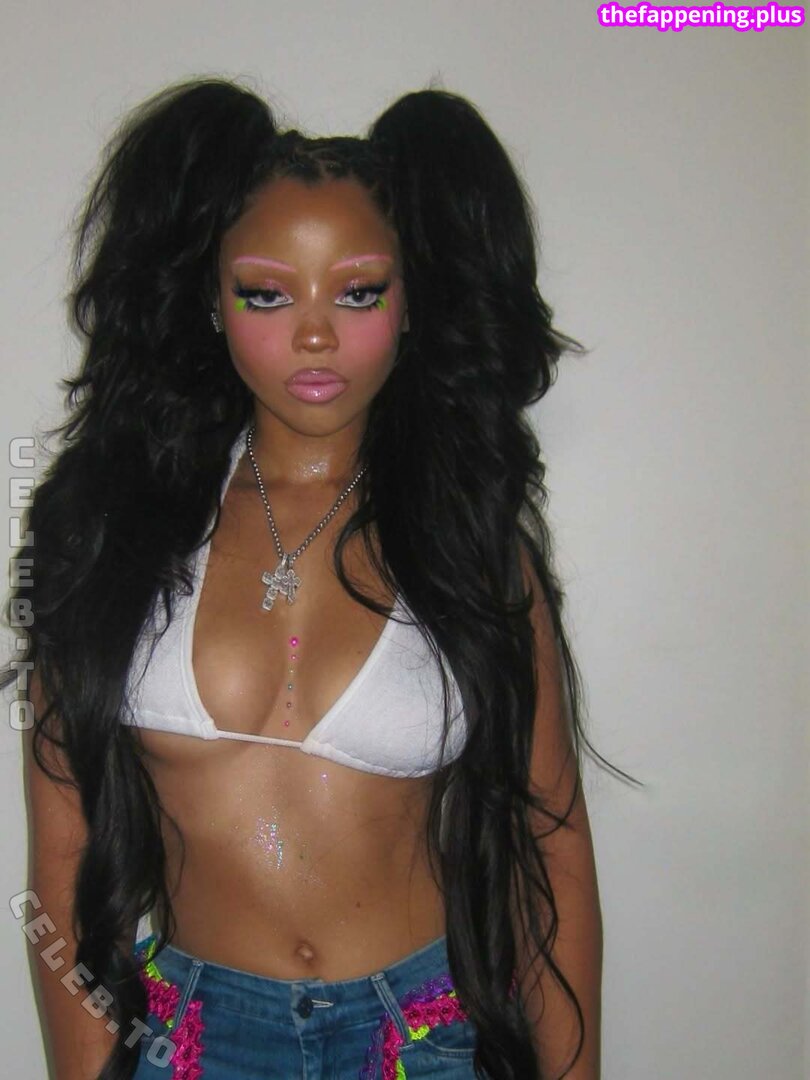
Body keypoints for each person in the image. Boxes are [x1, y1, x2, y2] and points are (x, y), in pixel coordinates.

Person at [2, 77, 611, 1080]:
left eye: (358, 291)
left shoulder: (469, 546)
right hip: (189, 1041)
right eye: (268, 292)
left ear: (410, 305)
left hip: (427, 1038)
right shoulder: (114, 536)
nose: (316, 333)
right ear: (210, 301)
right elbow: (62, 849)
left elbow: (551, 843)